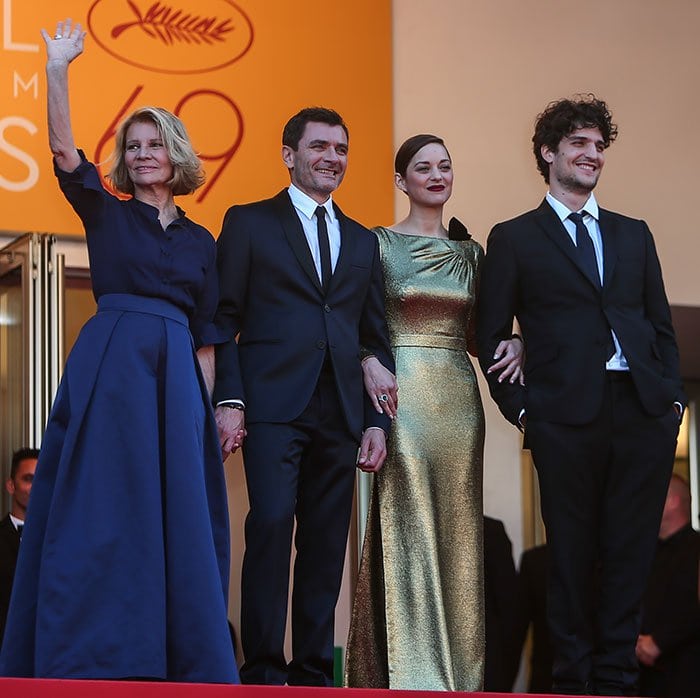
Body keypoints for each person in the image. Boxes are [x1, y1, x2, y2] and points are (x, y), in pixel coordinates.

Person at [0, 20, 238, 682]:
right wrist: (55, 68)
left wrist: (214, 407)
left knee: (176, 515)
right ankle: (94, 650)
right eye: (132, 146)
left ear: (175, 154)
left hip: (177, 384)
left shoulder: (201, 241)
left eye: (153, 143)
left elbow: (208, 329)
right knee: (103, 505)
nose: (141, 154)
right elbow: (60, 148)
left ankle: (176, 656)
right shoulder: (104, 210)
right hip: (112, 371)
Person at [477, 95, 685, 695]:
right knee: (569, 554)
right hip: (563, 419)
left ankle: (616, 680)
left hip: (642, 414)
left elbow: (661, 328)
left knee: (629, 554)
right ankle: (571, 680)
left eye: (599, 146)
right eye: (580, 144)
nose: (592, 155)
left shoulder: (633, 234)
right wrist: (525, 415)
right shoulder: (514, 237)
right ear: (549, 153)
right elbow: (491, 337)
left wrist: (670, 404)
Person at [212, 107, 395, 686]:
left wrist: (376, 422)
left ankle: (313, 671)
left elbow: (374, 336)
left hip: (339, 409)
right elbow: (225, 317)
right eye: (319, 147)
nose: (331, 158)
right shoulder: (248, 222)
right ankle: (263, 667)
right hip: (270, 405)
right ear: (289, 155)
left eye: (340, 149)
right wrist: (231, 399)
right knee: (269, 525)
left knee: (323, 545)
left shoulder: (365, 241)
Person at [344, 134, 522, 691]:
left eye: (445, 165)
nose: (437, 174)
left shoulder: (473, 255)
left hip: (457, 399)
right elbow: (356, 323)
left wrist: (519, 344)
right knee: (403, 521)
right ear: (402, 180)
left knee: (457, 529)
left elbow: (483, 334)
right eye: (423, 166)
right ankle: (408, 673)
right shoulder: (375, 245)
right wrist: (367, 361)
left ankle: (457, 675)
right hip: (399, 396)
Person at [637, 474, 700, 698]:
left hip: (688, 675)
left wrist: (658, 641)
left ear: (672, 501)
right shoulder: (643, 553)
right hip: (642, 678)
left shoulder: (696, 548)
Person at [0, 448, 38, 649]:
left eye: (41, 479)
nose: (36, 486)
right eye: (29, 479)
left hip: (47, 658)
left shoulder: (61, 542)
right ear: (11, 485)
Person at [515, 543, 553, 693]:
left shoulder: (535, 561)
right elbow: (515, 632)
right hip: (546, 682)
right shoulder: (534, 562)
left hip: (546, 680)